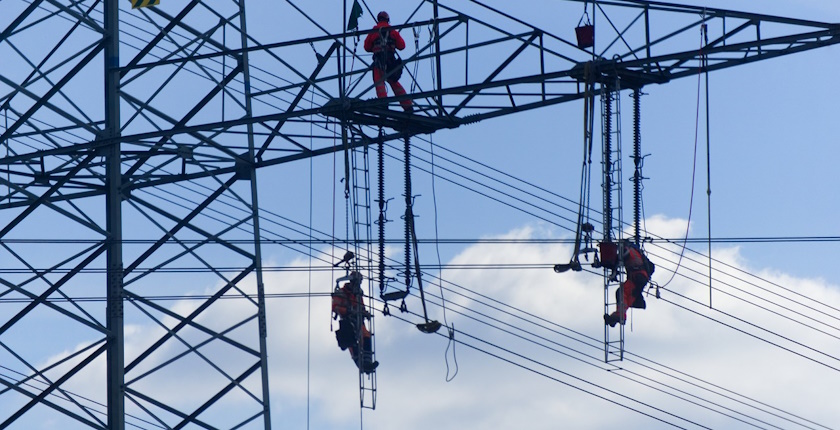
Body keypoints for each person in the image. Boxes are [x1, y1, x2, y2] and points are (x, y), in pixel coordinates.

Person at [363, 11, 414, 113]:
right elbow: (402, 46)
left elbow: (367, 47)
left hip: (379, 62)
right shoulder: (393, 31)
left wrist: (375, 45)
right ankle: (408, 106)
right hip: (391, 62)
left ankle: (383, 103)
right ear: (387, 19)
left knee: (379, 82)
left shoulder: (374, 31)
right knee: (394, 82)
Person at [332, 271, 379, 373]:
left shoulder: (357, 294)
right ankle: (360, 364)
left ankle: (368, 361)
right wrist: (348, 311)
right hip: (347, 321)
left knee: (366, 335)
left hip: (358, 320)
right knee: (351, 341)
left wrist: (365, 313)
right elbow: (335, 307)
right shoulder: (341, 292)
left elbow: (361, 306)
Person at [604, 240, 652, 327]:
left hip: (638, 276)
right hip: (640, 277)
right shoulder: (636, 252)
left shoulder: (628, 249)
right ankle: (618, 316)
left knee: (622, 292)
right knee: (628, 295)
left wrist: (614, 263)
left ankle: (620, 315)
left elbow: (623, 256)